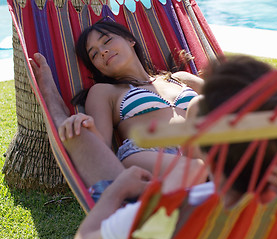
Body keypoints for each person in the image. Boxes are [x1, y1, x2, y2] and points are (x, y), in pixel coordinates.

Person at [73, 55, 277, 239]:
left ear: (198, 148)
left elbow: (86, 237)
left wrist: (118, 191)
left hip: (143, 190)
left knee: (92, 159)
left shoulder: (171, 213)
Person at [30, 19, 207, 201]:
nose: (103, 51)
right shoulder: (104, 92)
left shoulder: (181, 79)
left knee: (200, 105)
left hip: (202, 146)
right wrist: (84, 126)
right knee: (197, 171)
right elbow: (100, 149)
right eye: (94, 55)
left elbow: (231, 104)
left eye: (106, 41)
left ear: (130, 40)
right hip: (150, 153)